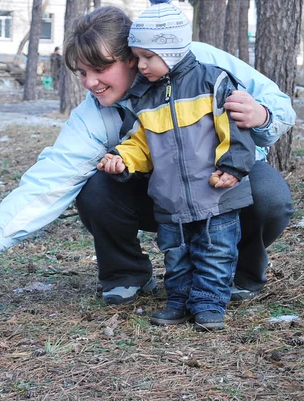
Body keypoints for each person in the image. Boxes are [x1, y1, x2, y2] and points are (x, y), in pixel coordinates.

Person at [0, 5, 295, 310]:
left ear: (134, 58)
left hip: (221, 185)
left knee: (268, 196)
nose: (89, 83)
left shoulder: (200, 61)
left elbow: (277, 104)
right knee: (95, 187)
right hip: (163, 199)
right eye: (82, 73)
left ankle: (238, 272)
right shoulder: (94, 114)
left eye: (100, 69)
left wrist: (262, 116)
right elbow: (50, 179)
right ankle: (126, 275)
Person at [97, 0, 255, 330]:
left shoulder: (212, 82)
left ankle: (210, 303)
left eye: (147, 57)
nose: (139, 65)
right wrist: (122, 159)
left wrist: (233, 167)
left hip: (216, 194)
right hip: (170, 197)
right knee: (176, 254)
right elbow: (141, 143)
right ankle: (178, 300)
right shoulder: (146, 98)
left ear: (171, 50)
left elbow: (236, 128)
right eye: (137, 57)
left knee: (215, 251)